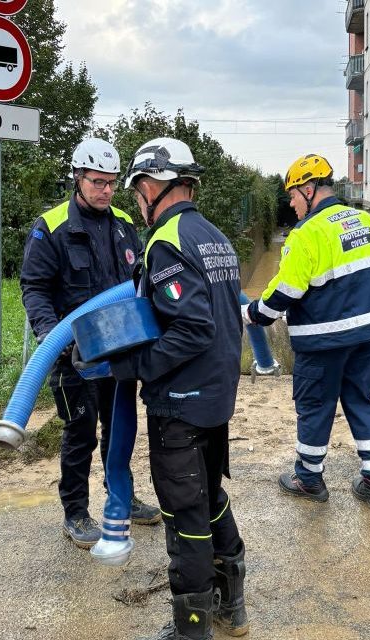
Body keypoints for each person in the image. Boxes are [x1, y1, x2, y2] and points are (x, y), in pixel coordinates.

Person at [110, 137, 248, 640]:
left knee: (183, 513)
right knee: (210, 493)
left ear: (151, 186)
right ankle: (232, 603)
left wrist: (136, 366)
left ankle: (192, 628)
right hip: (215, 396)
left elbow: (192, 328)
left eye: (136, 191)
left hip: (182, 404)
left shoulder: (167, 239)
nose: (136, 203)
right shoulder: (214, 235)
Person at [20, 138, 161, 549]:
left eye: (113, 183)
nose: (107, 191)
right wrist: (51, 335)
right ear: (78, 177)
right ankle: (76, 511)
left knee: (120, 429)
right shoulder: (52, 227)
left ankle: (123, 497)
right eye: (98, 182)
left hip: (118, 352)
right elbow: (34, 288)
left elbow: (140, 282)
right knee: (81, 432)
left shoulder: (122, 224)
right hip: (75, 356)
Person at [243, 154, 370, 513]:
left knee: (314, 406)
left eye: (293, 195)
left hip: (323, 339)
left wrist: (254, 314)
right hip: (369, 332)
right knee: (360, 399)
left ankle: (309, 479)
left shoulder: (306, 233)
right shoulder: (367, 221)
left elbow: (287, 290)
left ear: (309, 189)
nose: (292, 203)